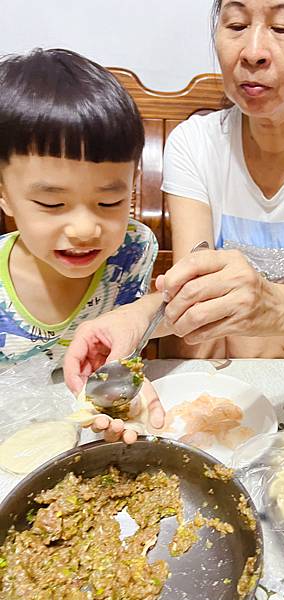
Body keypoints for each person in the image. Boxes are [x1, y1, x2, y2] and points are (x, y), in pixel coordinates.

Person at [64, 0, 284, 384]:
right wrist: (132, 317)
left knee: (253, 342)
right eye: (235, 25)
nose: (252, 53)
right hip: (223, 342)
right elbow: (193, 292)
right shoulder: (196, 142)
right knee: (198, 341)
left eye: (282, 28)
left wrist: (272, 308)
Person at [0, 48, 164, 441]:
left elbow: (157, 311)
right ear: (4, 193)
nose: (85, 229)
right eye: (52, 203)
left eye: (109, 202)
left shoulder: (133, 248)